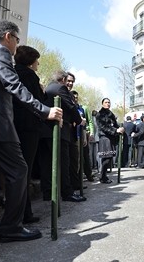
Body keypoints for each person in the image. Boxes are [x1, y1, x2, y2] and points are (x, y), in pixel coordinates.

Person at [0, 19, 62, 244]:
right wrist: (44, 110)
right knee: (19, 171)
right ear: (8, 36)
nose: (17, 47)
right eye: (17, 40)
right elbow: (13, 85)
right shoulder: (0, 52)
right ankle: (11, 227)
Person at [39, 70, 86, 202]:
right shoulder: (60, 88)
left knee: (47, 163)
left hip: (44, 130)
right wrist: (79, 121)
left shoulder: (48, 87)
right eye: (68, 81)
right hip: (58, 130)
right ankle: (67, 192)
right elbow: (70, 107)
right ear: (63, 80)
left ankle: (48, 193)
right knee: (63, 163)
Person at [13, 45, 44, 224]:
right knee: (25, 170)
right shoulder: (30, 76)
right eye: (37, 60)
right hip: (29, 128)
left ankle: (19, 211)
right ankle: (25, 213)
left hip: (12, 125)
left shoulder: (12, 72)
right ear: (31, 61)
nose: (38, 63)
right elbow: (37, 102)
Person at [96, 98, 125, 183]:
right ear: (102, 104)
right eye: (106, 102)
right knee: (106, 158)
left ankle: (103, 176)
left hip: (110, 138)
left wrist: (119, 128)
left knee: (109, 158)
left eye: (109, 102)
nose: (108, 104)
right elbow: (103, 126)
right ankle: (102, 177)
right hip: (104, 137)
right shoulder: (100, 114)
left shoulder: (111, 114)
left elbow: (115, 124)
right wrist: (115, 130)